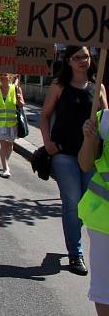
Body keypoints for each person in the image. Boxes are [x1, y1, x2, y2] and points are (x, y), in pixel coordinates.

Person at [40, 46, 108, 275]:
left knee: (85, 204)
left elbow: (105, 121)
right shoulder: (60, 86)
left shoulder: (98, 88)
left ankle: (76, 241)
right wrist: (48, 142)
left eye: (86, 56)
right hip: (64, 154)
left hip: (90, 156)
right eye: (77, 57)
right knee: (72, 202)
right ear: (68, 61)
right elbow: (45, 115)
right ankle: (75, 253)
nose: (83, 61)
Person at [79, 109, 109, 315]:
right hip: (104, 222)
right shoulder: (104, 120)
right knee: (104, 291)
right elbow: (85, 163)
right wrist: (90, 139)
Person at [0, 73, 25, 178]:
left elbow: (21, 105)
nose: (3, 77)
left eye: (5, 75)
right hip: (0, 123)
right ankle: (5, 168)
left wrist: (18, 97)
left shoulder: (16, 89)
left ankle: (5, 162)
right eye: (1, 75)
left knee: (10, 145)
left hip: (12, 123)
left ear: (10, 77)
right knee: (3, 144)